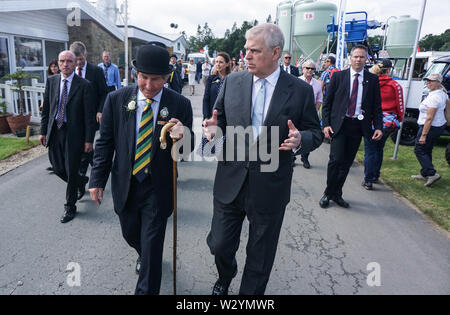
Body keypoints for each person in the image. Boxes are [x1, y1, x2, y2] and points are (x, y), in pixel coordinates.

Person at [203, 23, 323, 295]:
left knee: (260, 256)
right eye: (246, 50)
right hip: (230, 180)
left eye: (255, 51)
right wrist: (213, 131)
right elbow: (218, 119)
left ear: (276, 52)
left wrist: (301, 139)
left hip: (270, 186)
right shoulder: (232, 81)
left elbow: (315, 131)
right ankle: (226, 275)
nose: (246, 56)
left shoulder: (300, 90)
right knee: (219, 244)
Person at [88, 44, 194, 295]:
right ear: (136, 74)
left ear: (166, 77)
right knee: (131, 233)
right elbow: (105, 143)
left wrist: (183, 136)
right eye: (143, 77)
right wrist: (97, 180)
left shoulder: (180, 104)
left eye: (155, 79)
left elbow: (186, 152)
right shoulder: (116, 100)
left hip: (158, 187)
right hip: (126, 183)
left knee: (153, 244)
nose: (148, 84)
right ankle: (143, 254)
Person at [320, 45, 383, 209]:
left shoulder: (372, 79)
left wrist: (378, 126)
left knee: (346, 163)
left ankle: (337, 193)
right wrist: (325, 124)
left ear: (366, 59)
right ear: (350, 58)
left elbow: (377, 106)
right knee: (335, 160)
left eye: (362, 57)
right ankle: (328, 193)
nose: (358, 59)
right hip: (339, 125)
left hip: (358, 126)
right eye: (355, 56)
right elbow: (327, 104)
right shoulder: (338, 77)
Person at [39, 50, 96, 224]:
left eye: (69, 61)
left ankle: (70, 206)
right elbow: (47, 109)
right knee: (57, 168)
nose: (65, 64)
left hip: (75, 134)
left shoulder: (84, 85)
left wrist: (88, 139)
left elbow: (89, 115)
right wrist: (43, 131)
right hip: (55, 131)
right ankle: (81, 180)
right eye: (62, 61)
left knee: (71, 169)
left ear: (75, 63)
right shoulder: (52, 81)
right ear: (58, 62)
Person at [70, 41, 108, 199]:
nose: (78, 63)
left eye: (80, 59)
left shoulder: (96, 71)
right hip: (74, 119)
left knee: (84, 150)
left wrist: (100, 110)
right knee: (85, 150)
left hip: (91, 118)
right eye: (75, 59)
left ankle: (80, 183)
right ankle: (100, 166)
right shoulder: (70, 70)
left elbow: (104, 93)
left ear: (85, 55)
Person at [362, 59, 404, 190]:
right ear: (389, 70)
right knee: (379, 149)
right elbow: (400, 105)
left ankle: (368, 180)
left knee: (370, 150)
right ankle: (375, 175)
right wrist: (400, 119)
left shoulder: (369, 82)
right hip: (387, 122)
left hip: (371, 121)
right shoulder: (394, 85)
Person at [411, 73, 447, 187]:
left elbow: (429, 118)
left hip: (430, 127)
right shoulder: (442, 94)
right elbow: (448, 108)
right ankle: (424, 173)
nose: (428, 83)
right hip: (438, 126)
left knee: (419, 149)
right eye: (427, 80)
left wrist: (424, 135)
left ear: (438, 82)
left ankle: (432, 173)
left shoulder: (435, 97)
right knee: (426, 150)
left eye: (431, 81)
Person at [298, 59, 323, 169]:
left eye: (312, 68)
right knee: (294, 134)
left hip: (309, 115)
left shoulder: (317, 84)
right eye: (307, 68)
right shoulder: (296, 81)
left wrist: (314, 112)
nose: (309, 70)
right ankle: (292, 157)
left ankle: (305, 157)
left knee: (307, 136)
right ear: (302, 69)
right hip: (296, 113)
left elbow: (319, 99)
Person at [203, 52, 231, 120]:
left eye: (221, 62)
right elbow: (206, 99)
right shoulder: (211, 78)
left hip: (227, 117)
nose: (218, 64)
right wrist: (206, 117)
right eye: (216, 62)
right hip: (212, 115)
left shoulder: (231, 79)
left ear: (227, 64)